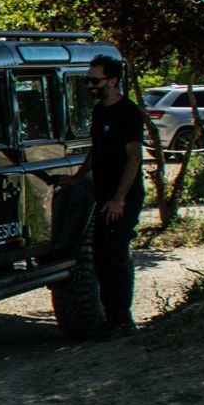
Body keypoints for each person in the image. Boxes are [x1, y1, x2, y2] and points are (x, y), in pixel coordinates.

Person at [64, 55, 144, 337]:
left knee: (115, 255)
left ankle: (123, 320)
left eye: (95, 81)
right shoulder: (100, 112)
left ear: (113, 80)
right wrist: (78, 177)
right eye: (88, 80)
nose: (90, 85)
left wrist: (119, 199)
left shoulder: (129, 112)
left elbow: (134, 158)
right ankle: (111, 316)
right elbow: (96, 150)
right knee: (100, 256)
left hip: (123, 198)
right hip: (102, 195)